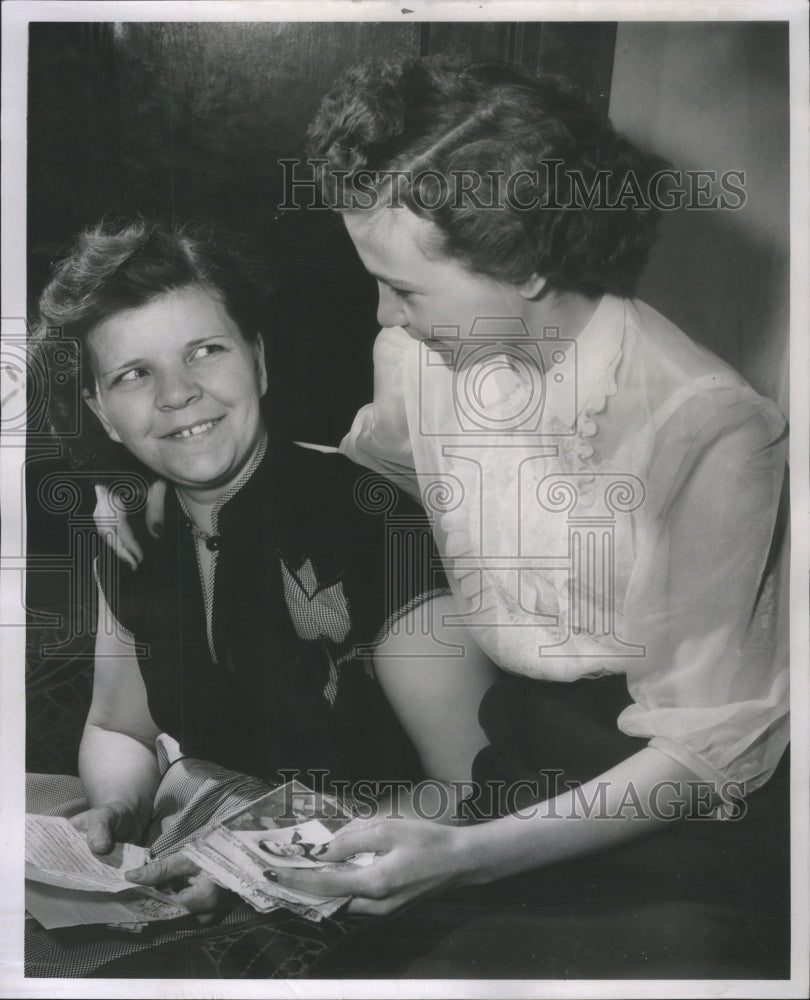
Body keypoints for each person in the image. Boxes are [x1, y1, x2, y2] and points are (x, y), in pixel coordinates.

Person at [93, 58, 790, 977]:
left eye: (408, 289)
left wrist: (459, 860)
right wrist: (173, 494)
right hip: (508, 766)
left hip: (666, 826)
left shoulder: (711, 427)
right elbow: (349, 474)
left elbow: (705, 759)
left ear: (528, 263)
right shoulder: (419, 358)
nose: (386, 314)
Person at [25, 218, 495, 977]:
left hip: (384, 884)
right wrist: (116, 808)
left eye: (205, 351)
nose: (179, 395)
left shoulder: (379, 528)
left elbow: (468, 785)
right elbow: (119, 727)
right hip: (201, 846)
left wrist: (266, 868)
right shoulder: (128, 531)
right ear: (104, 411)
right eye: (133, 374)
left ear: (260, 363)